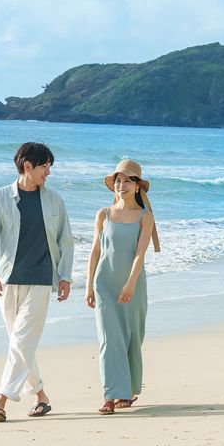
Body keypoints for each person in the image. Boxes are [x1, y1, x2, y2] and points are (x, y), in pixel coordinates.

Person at [0, 141, 74, 423]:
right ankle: (41, 396)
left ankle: (1, 400)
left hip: (41, 280)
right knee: (21, 342)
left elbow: (65, 241)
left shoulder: (54, 200)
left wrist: (65, 275)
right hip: (8, 280)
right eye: (45, 166)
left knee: (21, 340)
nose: (49, 173)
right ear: (27, 166)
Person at [86, 158, 158, 415]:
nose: (122, 184)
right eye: (118, 180)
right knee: (108, 339)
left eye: (128, 180)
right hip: (105, 283)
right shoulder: (103, 214)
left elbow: (140, 255)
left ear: (138, 186)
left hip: (133, 284)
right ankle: (110, 394)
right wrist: (89, 286)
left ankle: (127, 391)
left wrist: (130, 283)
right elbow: (95, 251)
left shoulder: (144, 217)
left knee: (131, 337)